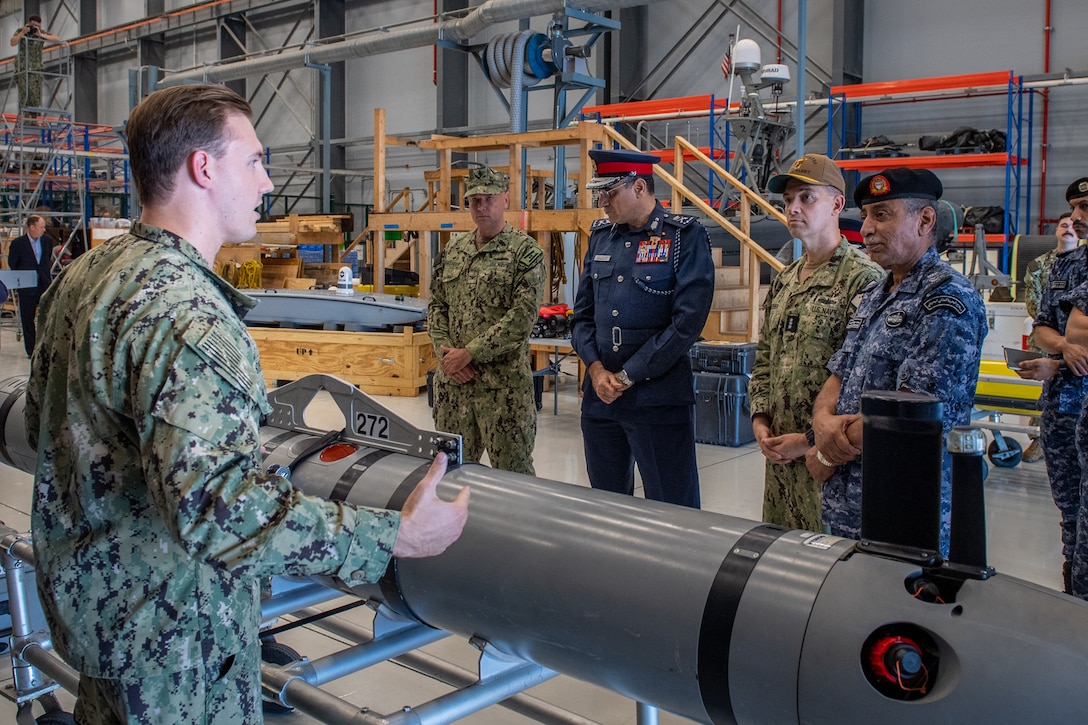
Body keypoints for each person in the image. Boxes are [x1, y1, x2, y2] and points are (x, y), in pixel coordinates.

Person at [25, 84, 470, 724]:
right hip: (177, 646)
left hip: (105, 620)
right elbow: (214, 511)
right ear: (203, 169)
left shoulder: (88, 275)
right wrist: (393, 534)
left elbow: (48, 424)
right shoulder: (185, 313)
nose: (267, 183)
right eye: (255, 161)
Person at [810, 167, 987, 553]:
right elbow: (840, 371)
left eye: (882, 214)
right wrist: (821, 421)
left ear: (925, 220)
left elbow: (912, 409)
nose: (867, 229)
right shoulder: (878, 292)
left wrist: (828, 447)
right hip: (849, 500)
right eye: (866, 216)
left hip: (904, 501)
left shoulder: (946, 300)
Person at [571, 149, 715, 508]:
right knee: (607, 504)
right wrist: (596, 368)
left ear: (639, 187)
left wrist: (628, 375)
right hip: (601, 397)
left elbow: (687, 324)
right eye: (599, 193)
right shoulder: (602, 237)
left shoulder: (684, 236)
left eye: (609, 193)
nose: (602, 202)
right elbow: (582, 317)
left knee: (672, 505)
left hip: (658, 399)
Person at [749, 154, 883, 531]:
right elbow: (765, 359)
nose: (792, 208)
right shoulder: (785, 280)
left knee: (825, 571)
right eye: (788, 200)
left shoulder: (864, 280)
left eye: (806, 197)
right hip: (779, 461)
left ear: (837, 204)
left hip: (831, 464)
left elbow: (862, 381)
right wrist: (760, 420)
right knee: (778, 561)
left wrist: (809, 441)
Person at [427, 166, 545, 475]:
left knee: (513, 477)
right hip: (453, 389)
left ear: (506, 199)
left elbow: (521, 319)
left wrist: (469, 353)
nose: (481, 207)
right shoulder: (453, 250)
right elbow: (437, 306)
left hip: (503, 392)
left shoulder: (526, 253)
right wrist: (446, 353)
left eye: (489, 199)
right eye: (474, 200)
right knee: (448, 473)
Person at [1017, 178, 1088, 594]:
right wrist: (1063, 351)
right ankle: (1073, 587)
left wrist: (1060, 360)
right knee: (1069, 508)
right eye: (1074, 209)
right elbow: (1042, 326)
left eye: (1084, 208)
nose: (1076, 218)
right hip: (1064, 406)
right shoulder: (1066, 265)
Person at [1020, 211, 1079, 463]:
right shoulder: (1040, 265)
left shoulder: (1082, 263)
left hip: (1079, 339)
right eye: (1063, 224)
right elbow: (1035, 305)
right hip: (1049, 336)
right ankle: (1040, 438)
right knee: (1049, 389)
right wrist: (1058, 334)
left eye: (1072, 225)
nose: (1068, 228)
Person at [6, 213, 53, 357]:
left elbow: (46, 261)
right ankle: (31, 350)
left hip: (44, 284)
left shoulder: (47, 241)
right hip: (27, 286)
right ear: (31, 227)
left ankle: (46, 347)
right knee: (27, 318)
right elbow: (12, 263)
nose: (44, 230)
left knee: (48, 316)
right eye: (41, 227)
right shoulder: (18, 244)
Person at [9, 14, 60, 113]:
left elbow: (57, 39)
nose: (34, 28)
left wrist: (41, 35)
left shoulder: (40, 33)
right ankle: (26, 117)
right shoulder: (21, 31)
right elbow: (12, 42)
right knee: (24, 96)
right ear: (28, 23)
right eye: (33, 25)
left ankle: (35, 118)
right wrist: (23, 32)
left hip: (36, 69)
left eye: (37, 26)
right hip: (23, 69)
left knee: (36, 97)